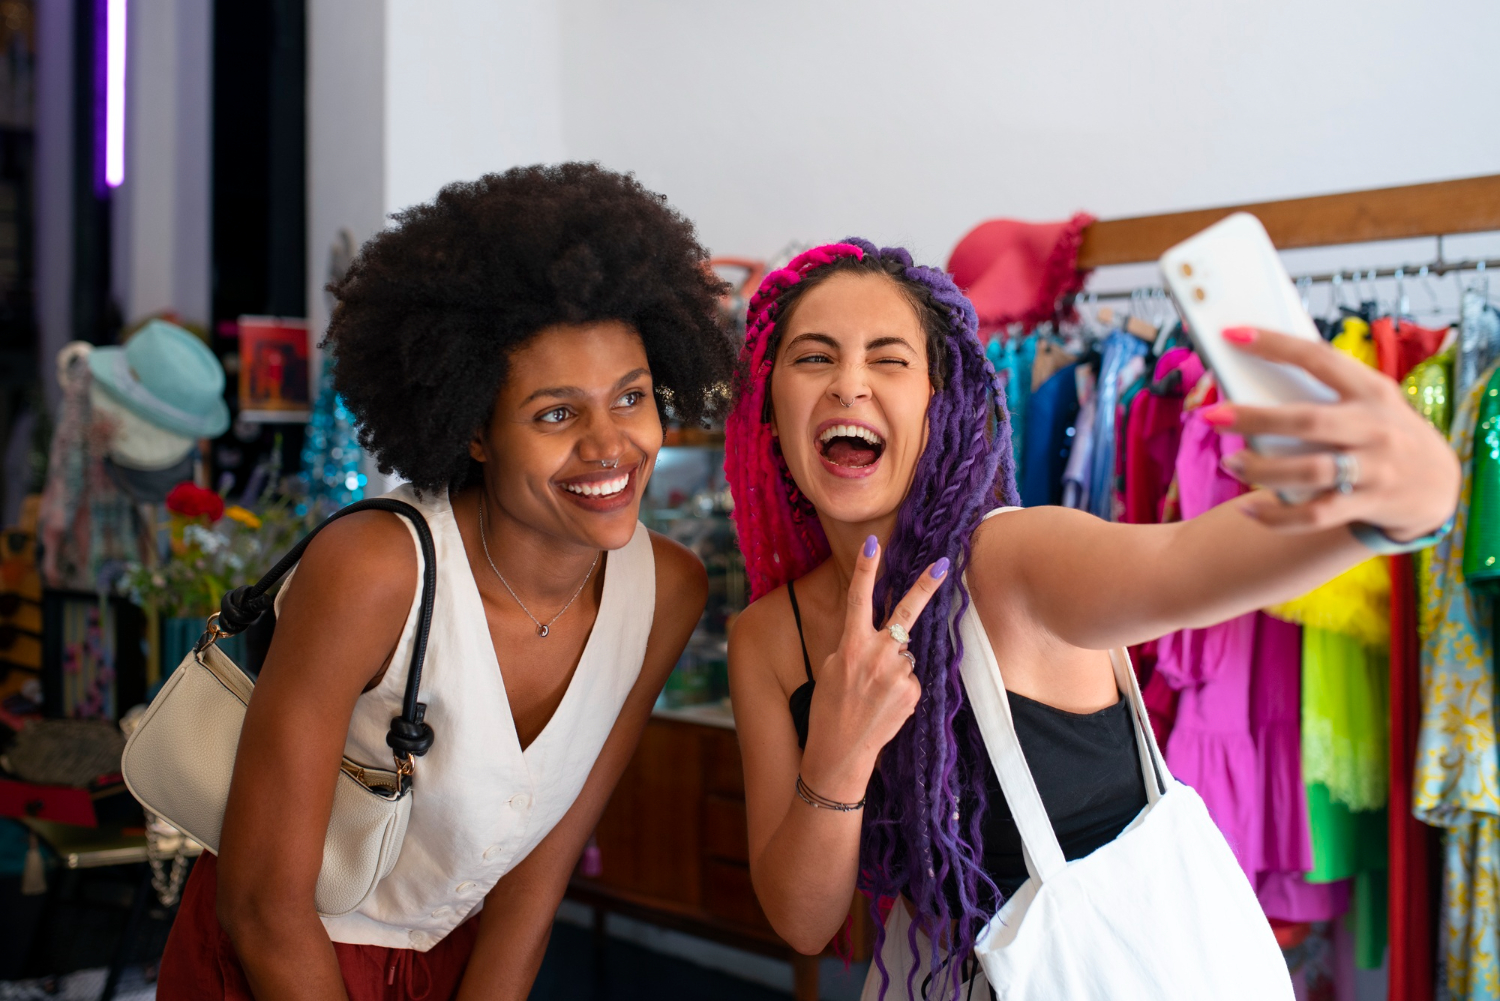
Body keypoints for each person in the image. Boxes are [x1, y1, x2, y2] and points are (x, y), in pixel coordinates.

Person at [723, 240, 1458, 999]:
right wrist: (838, 753)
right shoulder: (767, 639)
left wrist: (1403, 506)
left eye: (888, 359)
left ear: (939, 403)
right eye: (814, 358)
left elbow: (1186, 561)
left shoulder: (1013, 561)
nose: (849, 384)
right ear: (770, 409)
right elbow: (803, 922)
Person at [157, 164, 736, 1000]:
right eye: (556, 412)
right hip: (276, 967)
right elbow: (261, 907)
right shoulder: (375, 569)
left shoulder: (666, 591)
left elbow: (537, 878)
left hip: (449, 965)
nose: (610, 445)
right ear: (475, 432)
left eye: (631, 397)